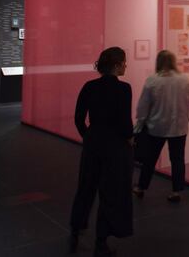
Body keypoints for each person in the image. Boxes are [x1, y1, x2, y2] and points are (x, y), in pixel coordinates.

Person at [69, 47, 134, 256]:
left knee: (86, 187)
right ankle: (101, 241)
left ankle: (75, 229)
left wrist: (87, 136)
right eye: (124, 62)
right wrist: (130, 139)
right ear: (116, 65)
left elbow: (79, 118)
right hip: (114, 148)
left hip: (93, 143)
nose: (126, 65)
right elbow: (124, 123)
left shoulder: (89, 86)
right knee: (110, 193)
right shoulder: (124, 89)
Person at [132, 50, 189, 202]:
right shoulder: (184, 81)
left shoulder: (152, 81)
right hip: (179, 127)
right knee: (178, 159)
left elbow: (143, 107)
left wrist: (139, 125)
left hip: (156, 127)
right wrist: (185, 120)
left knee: (150, 159)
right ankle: (176, 191)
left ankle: (141, 187)